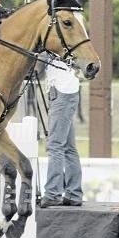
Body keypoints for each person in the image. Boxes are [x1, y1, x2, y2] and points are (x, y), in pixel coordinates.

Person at [40, 57, 83, 207]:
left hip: (62, 92)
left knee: (55, 146)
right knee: (68, 147)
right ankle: (74, 193)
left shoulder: (60, 37)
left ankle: (53, 193)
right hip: (63, 91)